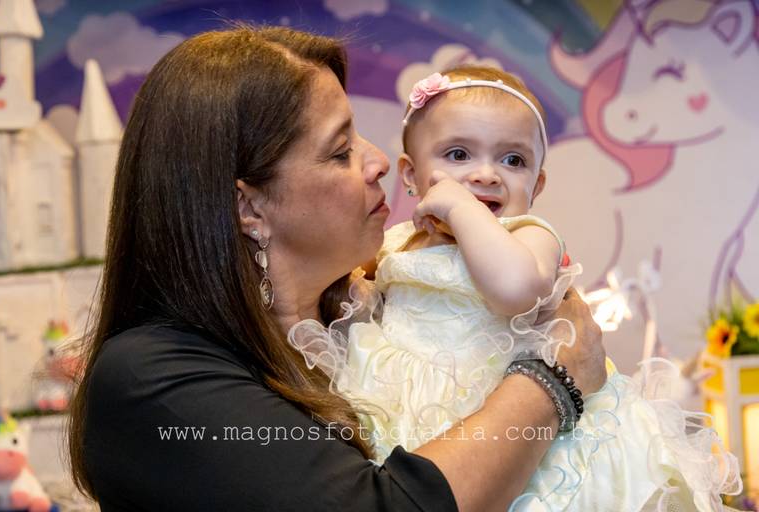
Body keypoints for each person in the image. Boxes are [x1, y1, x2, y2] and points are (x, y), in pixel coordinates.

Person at [66, 26, 608, 511]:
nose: (379, 163)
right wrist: (552, 381)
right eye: (341, 149)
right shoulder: (152, 378)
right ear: (249, 207)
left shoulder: (361, 313)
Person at [288, 66, 743, 511]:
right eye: (458, 155)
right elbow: (365, 295)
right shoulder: (398, 241)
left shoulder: (529, 236)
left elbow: (515, 290)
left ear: (537, 184)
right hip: (407, 412)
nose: (486, 174)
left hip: (515, 417)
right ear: (410, 174)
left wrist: (460, 207)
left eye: (513, 160)